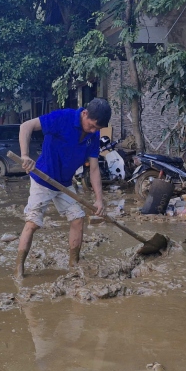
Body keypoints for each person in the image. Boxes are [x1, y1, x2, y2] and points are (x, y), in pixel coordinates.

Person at [15, 97, 111, 279]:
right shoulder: (62, 118)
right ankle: (19, 269)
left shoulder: (94, 134)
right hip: (42, 179)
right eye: (91, 126)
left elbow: (94, 168)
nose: (93, 131)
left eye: (97, 129)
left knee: (78, 218)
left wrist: (99, 199)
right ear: (84, 114)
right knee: (33, 223)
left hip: (64, 183)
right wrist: (25, 155)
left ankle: (73, 264)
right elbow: (25, 126)